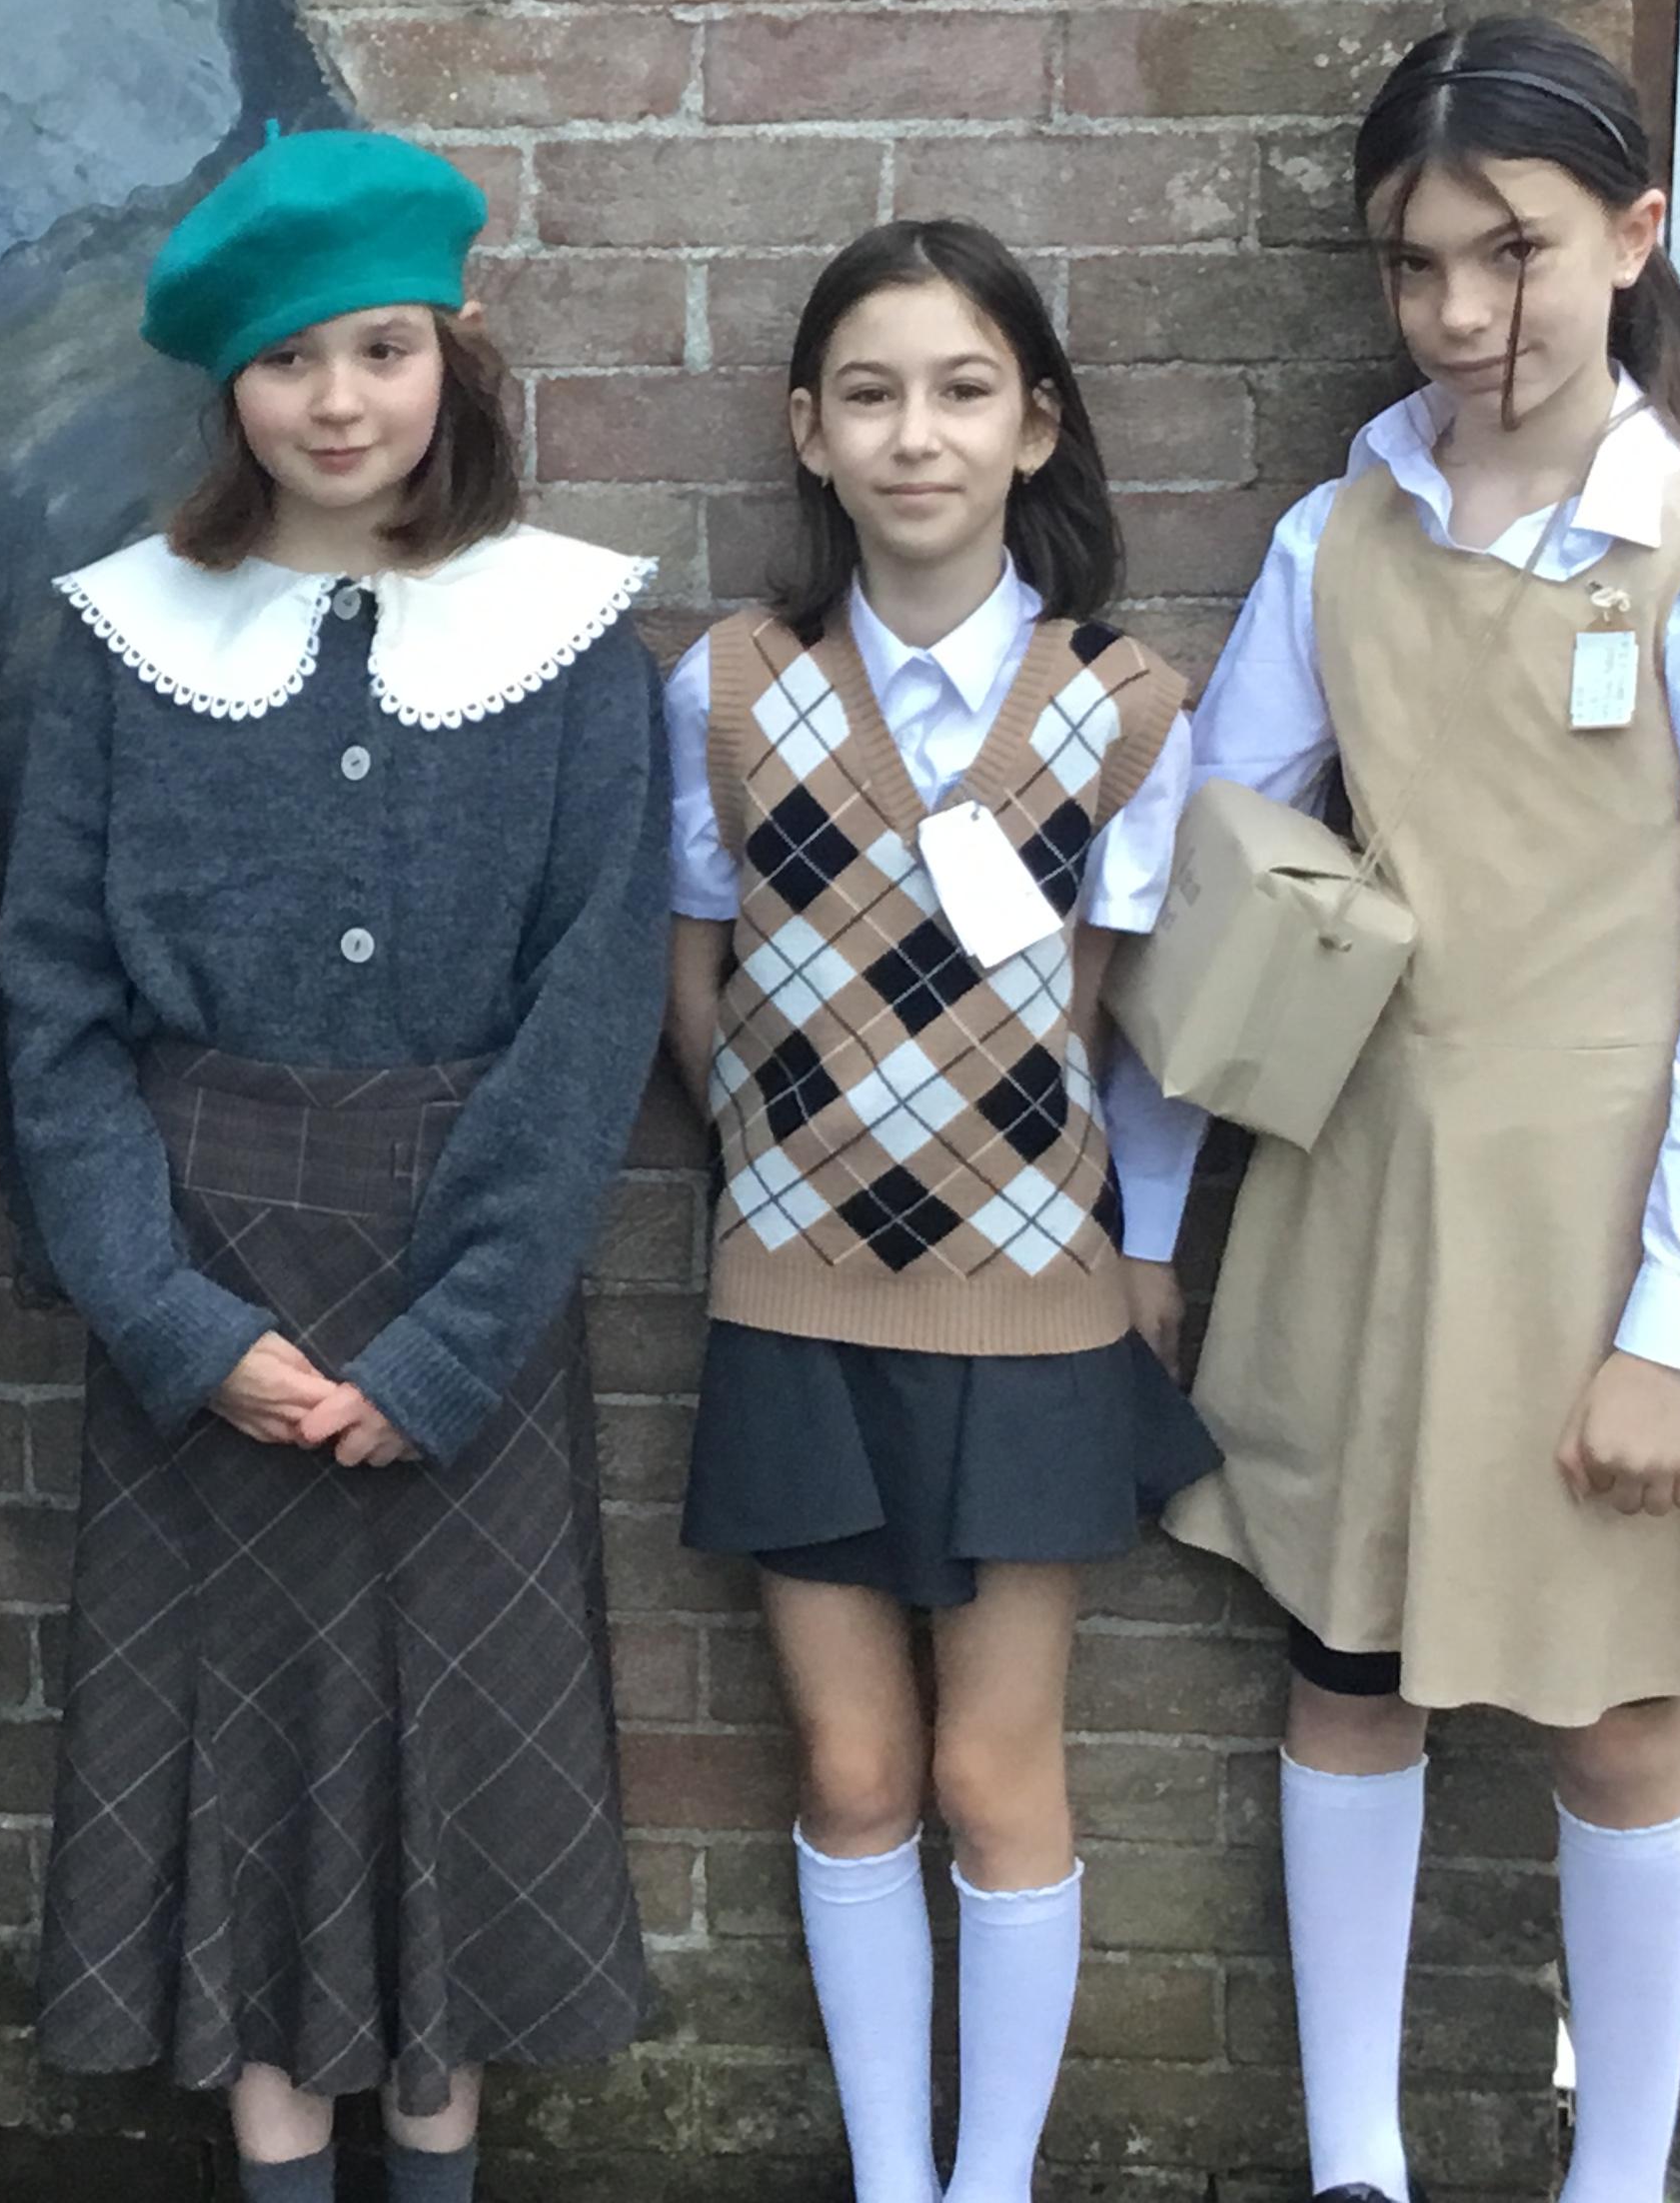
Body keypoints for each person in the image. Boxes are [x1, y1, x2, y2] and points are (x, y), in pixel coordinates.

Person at [1109, 17, 1680, 2203]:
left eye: (1512, 251)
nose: (1460, 312)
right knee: (1348, 1669)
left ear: (1633, 235)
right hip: (1361, 1194)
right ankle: (1353, 2161)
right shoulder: (1339, 531)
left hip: (1602, 1224)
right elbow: (1217, 894)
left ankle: (1619, 2176)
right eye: (1415, 261)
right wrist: (1150, 1219)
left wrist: (1679, 1330)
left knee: (1618, 1711)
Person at [0, 127, 670, 2203]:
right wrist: (172, 1323)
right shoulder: (128, 644)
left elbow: (594, 1019)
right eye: (290, 361)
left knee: (450, 1793)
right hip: (208, 1286)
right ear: (232, 390)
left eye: (381, 347)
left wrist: (456, 1341)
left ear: (452, 353)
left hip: (469, 1292)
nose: (340, 400)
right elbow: (52, 1013)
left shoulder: (568, 642)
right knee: (247, 1785)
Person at [663, 219, 1219, 2203]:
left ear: (1033, 426)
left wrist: (1138, 1249)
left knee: (994, 1776)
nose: (918, 436)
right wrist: (792, 1178)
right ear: (806, 430)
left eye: (965, 391)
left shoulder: (1120, 707)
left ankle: (992, 2186)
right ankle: (893, 2178)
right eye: (872, 395)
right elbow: (697, 983)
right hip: (796, 1302)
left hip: (1035, 1310)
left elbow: (1127, 1026)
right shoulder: (732, 689)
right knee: (853, 1774)